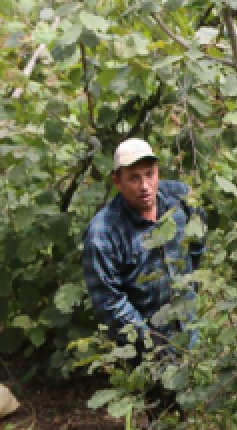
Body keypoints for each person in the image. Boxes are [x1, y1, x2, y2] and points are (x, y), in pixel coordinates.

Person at [83, 139, 205, 364]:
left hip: (189, 328)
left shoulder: (180, 199)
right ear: (117, 181)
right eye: (134, 178)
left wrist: (191, 289)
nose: (145, 186)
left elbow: (197, 245)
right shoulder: (104, 232)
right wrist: (150, 341)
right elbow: (108, 302)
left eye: (150, 174)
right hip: (143, 351)